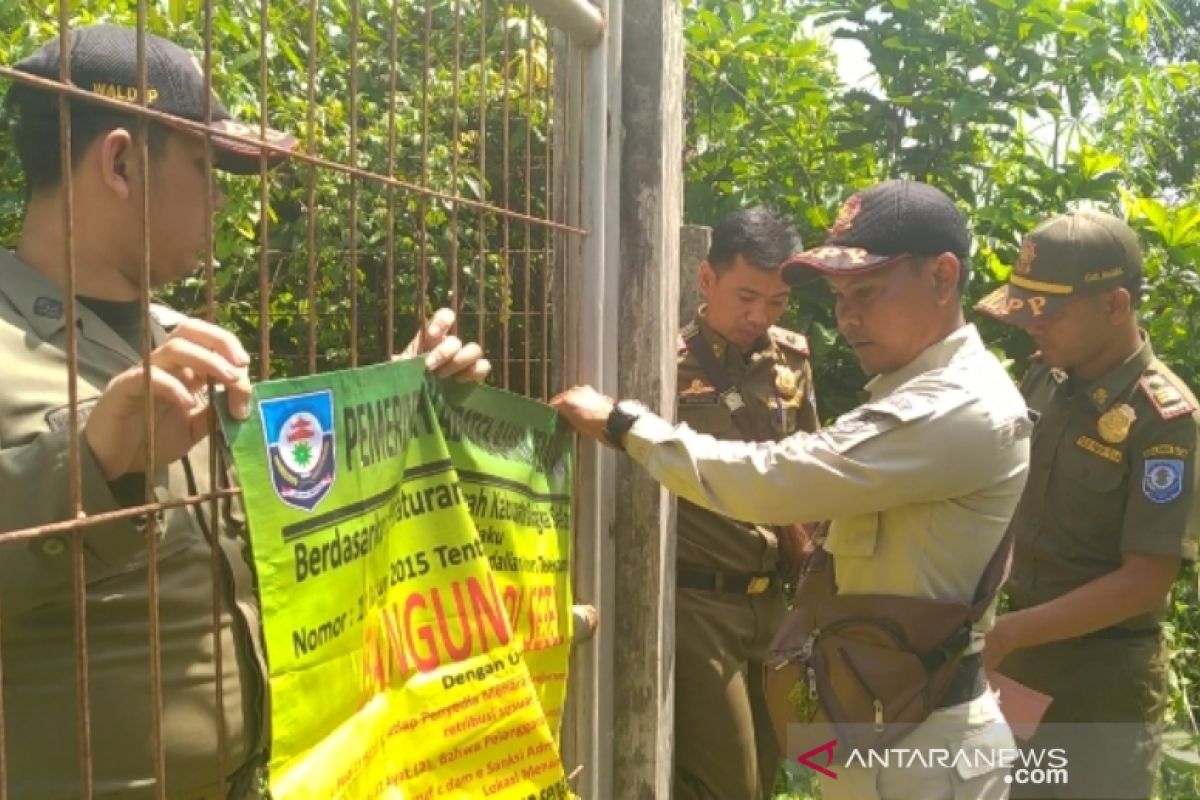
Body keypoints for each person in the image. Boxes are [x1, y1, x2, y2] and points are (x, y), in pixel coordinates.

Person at [0, 24, 489, 799]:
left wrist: (393, 402)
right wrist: (89, 459)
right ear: (121, 162)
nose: (223, 195)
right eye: (206, 165)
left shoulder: (189, 343)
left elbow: (281, 529)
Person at [553, 179, 1030, 800]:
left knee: (755, 776)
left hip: (920, 748)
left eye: (866, 292)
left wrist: (623, 424)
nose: (847, 317)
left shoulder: (953, 407)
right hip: (875, 714)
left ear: (942, 277)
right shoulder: (914, 394)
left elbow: (775, 479)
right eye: (838, 297)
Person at [977, 210, 1200, 800]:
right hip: (1018, 663)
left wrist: (1006, 634)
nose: (1032, 325)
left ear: (1115, 305)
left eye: (1050, 311)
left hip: (1102, 686)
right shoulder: (1045, 380)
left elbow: (1146, 579)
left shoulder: (1165, 419)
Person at [671, 207, 817, 800]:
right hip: (699, 602)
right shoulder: (663, 358)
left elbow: (810, 470)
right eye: (746, 296)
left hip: (773, 603)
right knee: (727, 783)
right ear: (707, 281)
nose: (758, 317)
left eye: (776, 303)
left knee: (774, 770)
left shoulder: (792, 361)